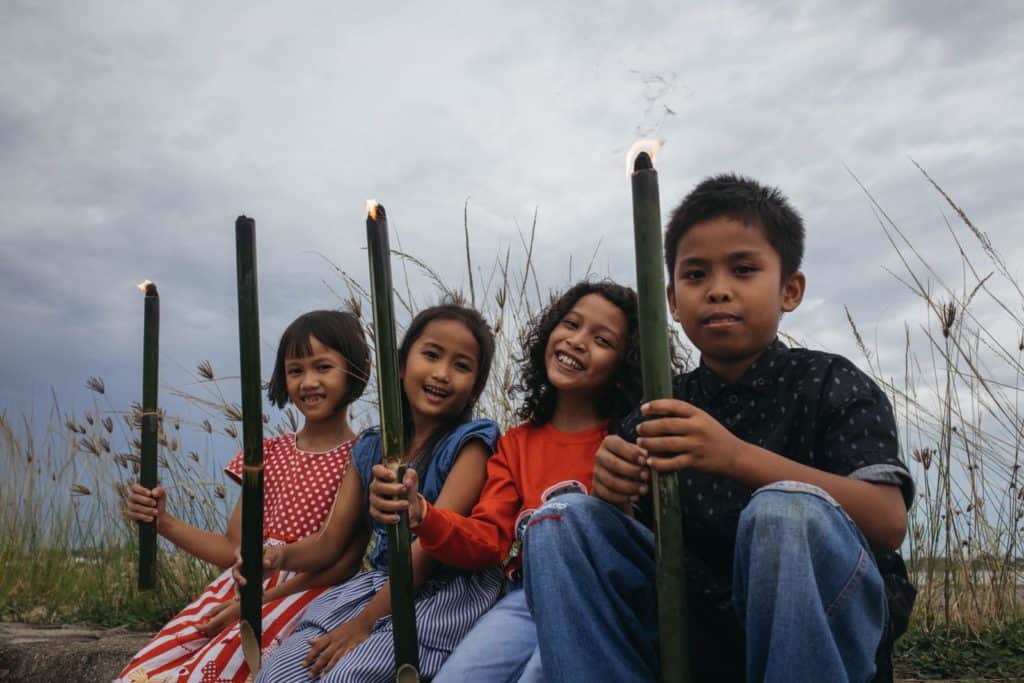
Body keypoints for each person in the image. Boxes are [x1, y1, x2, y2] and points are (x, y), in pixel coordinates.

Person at [523, 174, 916, 682]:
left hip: (823, 631)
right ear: (671, 299)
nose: (718, 290)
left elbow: (888, 522)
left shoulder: (829, 381)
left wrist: (735, 458)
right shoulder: (659, 409)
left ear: (789, 290)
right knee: (560, 520)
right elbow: (631, 542)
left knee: (784, 512)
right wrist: (612, 494)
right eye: (695, 275)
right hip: (695, 631)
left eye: (744, 269)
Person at [370, 281, 645, 682]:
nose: (578, 341)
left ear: (624, 368)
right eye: (571, 324)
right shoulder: (517, 444)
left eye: (602, 339)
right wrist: (424, 515)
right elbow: (488, 540)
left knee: (538, 674)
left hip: (601, 597)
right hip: (526, 599)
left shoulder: (628, 439)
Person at [251, 303, 503, 682]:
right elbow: (331, 542)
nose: (441, 373)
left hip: (440, 592)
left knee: (345, 677)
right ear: (401, 366)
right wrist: (278, 555)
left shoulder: (471, 443)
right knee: (278, 675)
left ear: (475, 388)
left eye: (461, 365)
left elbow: (429, 551)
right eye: (431, 355)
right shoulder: (371, 446)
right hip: (378, 584)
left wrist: (365, 622)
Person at [118, 309, 372, 683]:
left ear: (354, 371)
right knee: (154, 665)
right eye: (295, 370)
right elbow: (231, 548)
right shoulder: (265, 454)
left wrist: (252, 604)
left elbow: (341, 564)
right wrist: (163, 522)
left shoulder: (362, 455)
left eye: (323, 367)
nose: (308, 382)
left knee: (222, 669)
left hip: (304, 597)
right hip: (239, 587)